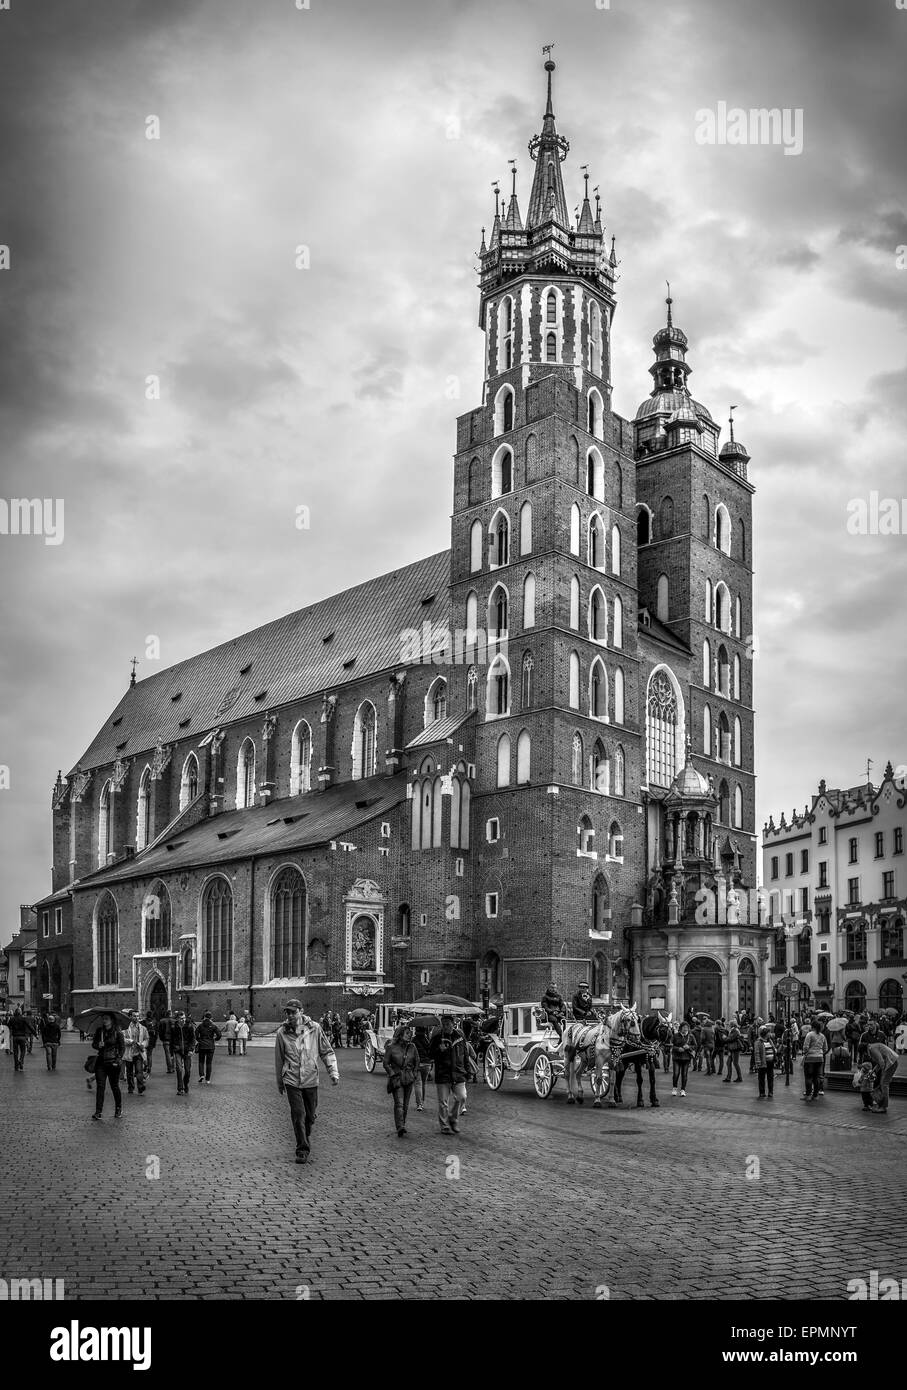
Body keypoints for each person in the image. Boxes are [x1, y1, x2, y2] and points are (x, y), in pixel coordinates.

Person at [274, 1001, 339, 1164]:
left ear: (301, 1011)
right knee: (298, 1114)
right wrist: (280, 1082)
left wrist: (333, 1071)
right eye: (287, 1012)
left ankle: (306, 1130)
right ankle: (302, 1149)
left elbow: (326, 1051)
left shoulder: (314, 1028)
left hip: (310, 1078)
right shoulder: (282, 1032)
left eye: (293, 1012)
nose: (289, 1015)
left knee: (309, 1117)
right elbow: (279, 1059)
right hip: (291, 1079)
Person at [429, 1015, 468, 1135]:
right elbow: (430, 1054)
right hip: (443, 1073)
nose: (445, 1026)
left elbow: (465, 1053)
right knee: (443, 1102)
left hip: (458, 1072)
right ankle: (445, 1126)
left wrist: (466, 1069)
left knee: (462, 1097)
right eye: (443, 1024)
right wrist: (438, 1050)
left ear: (453, 1023)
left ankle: (453, 1118)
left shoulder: (460, 1036)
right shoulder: (437, 1038)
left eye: (447, 1023)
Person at [383, 1022, 419, 1136]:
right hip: (397, 1078)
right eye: (407, 1033)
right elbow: (385, 1063)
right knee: (399, 1103)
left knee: (406, 1105)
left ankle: (402, 1123)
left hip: (409, 1078)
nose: (410, 1035)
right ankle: (400, 1126)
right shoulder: (391, 1047)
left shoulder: (412, 1047)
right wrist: (392, 1073)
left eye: (410, 1033)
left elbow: (417, 1061)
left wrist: (414, 1073)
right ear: (400, 1034)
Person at [91, 1014, 126, 1119]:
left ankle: (118, 1108)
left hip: (113, 1063)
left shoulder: (117, 1032)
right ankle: (98, 1112)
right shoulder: (99, 1031)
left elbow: (122, 1048)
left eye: (106, 1019)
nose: (104, 1020)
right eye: (103, 1018)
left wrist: (118, 1059)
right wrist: (98, 1045)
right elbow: (93, 1044)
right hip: (101, 1062)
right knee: (100, 1087)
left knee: (114, 1086)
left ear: (111, 1020)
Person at [866, 1037, 898, 1114]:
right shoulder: (873, 1046)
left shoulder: (872, 1049)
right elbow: (879, 1063)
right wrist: (873, 1071)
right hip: (892, 1062)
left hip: (891, 1063)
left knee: (884, 1084)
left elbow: (881, 1062)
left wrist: (882, 1073)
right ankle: (881, 1105)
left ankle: (883, 1107)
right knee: (883, 1083)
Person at [801, 1019, 828, 1100]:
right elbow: (825, 1048)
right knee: (816, 1077)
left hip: (810, 1058)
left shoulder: (810, 1034)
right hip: (819, 1058)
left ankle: (808, 1095)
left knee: (808, 1077)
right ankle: (815, 1095)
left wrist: (806, 1052)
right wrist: (820, 1053)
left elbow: (805, 1047)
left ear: (813, 1027)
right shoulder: (822, 1036)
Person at [171, 1011, 196, 1096]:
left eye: (184, 1018)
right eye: (181, 1018)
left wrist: (191, 1049)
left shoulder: (189, 1026)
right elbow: (171, 1039)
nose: (183, 1020)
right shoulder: (174, 1027)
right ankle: (180, 1088)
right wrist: (173, 1049)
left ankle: (185, 1084)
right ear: (177, 1019)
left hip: (187, 1050)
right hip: (177, 1050)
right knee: (179, 1069)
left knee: (188, 1070)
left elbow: (193, 1039)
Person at [123, 1011, 148, 1094]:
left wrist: (143, 1044)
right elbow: (122, 1039)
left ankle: (140, 1087)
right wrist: (130, 1041)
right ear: (130, 1017)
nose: (136, 1018)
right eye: (134, 1016)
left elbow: (146, 1039)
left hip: (138, 1052)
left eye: (137, 1016)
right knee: (129, 1072)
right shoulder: (125, 1028)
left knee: (139, 1070)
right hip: (129, 1053)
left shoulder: (143, 1028)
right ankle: (131, 1087)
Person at [195, 1011, 222, 1084]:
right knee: (209, 1063)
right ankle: (208, 1079)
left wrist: (199, 1040)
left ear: (204, 1017)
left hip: (202, 1045)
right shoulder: (213, 1025)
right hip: (210, 1045)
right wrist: (215, 1039)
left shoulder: (200, 1025)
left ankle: (201, 1075)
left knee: (201, 1061)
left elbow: (196, 1034)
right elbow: (219, 1034)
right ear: (211, 1018)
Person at [671, 1022, 694, 1097]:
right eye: (684, 1027)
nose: (685, 1029)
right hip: (677, 1057)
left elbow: (695, 1045)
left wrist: (689, 1047)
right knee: (676, 1074)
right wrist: (678, 1049)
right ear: (681, 1028)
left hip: (686, 1058)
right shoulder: (675, 1036)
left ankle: (683, 1090)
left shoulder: (690, 1036)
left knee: (684, 1075)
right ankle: (674, 1088)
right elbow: (671, 1045)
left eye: (686, 1027)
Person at [413, 1023, 432, 1111]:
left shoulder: (413, 1040)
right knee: (423, 1084)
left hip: (417, 1064)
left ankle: (419, 1104)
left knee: (418, 1084)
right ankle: (422, 1102)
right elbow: (430, 1051)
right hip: (427, 1064)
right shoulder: (427, 1040)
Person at [754, 1025, 776, 1099]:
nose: (770, 1034)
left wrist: (775, 1053)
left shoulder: (770, 1040)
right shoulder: (758, 1042)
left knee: (770, 1078)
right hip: (763, 1062)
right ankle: (762, 1092)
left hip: (770, 1062)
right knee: (761, 1078)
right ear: (766, 1034)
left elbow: (774, 1049)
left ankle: (770, 1092)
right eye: (769, 1033)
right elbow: (756, 1053)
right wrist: (758, 1062)